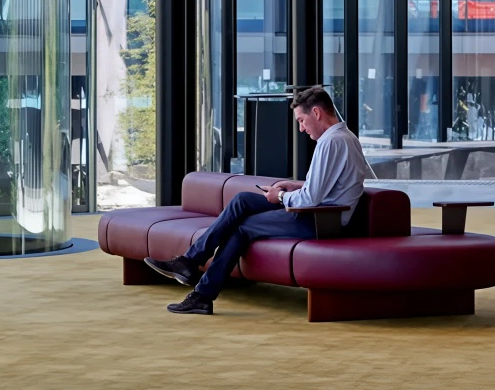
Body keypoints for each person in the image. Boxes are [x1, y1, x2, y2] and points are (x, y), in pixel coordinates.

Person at [151, 86, 372, 314]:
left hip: (320, 219)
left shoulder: (332, 142)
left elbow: (311, 199)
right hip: (319, 211)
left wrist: (282, 196)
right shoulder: (343, 138)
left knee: (241, 228)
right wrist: (295, 186)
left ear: (316, 113)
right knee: (243, 200)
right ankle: (190, 261)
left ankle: (202, 294)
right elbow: (328, 187)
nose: (301, 128)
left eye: (302, 120)